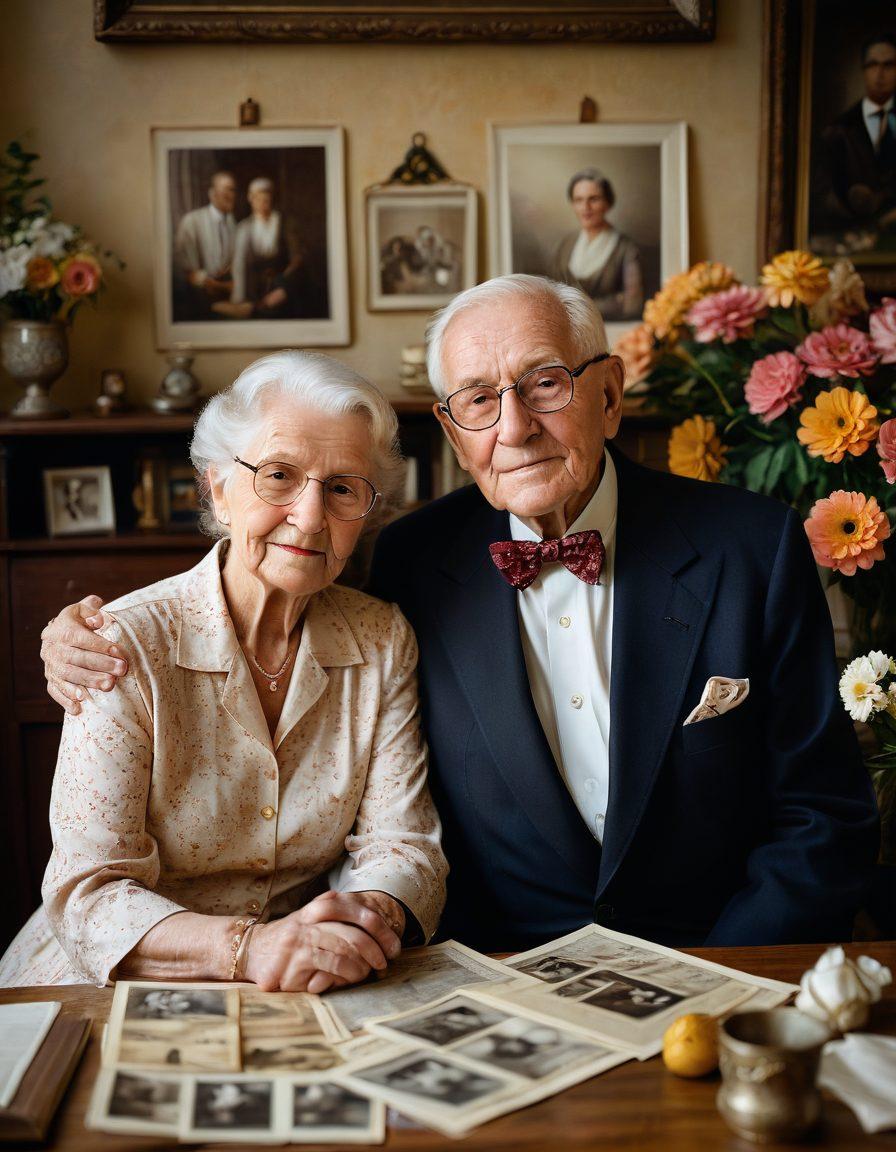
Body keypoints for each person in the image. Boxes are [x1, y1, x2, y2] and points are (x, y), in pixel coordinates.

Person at [39, 276, 878, 954]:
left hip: (717, 959)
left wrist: (734, 978)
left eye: (545, 383)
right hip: (494, 970)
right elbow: (251, 576)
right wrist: (76, 634)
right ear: (450, 427)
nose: (513, 427)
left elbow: (821, 814)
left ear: (611, 395)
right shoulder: (409, 563)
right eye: (476, 398)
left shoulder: (751, 548)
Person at [0, 351, 446, 989]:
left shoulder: (381, 639)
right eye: (279, 475)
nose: (311, 516)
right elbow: (89, 894)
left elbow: (402, 844)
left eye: (343, 487)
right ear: (218, 488)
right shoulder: (124, 645)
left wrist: (367, 913)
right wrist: (250, 950)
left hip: (306, 976)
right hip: (111, 980)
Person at [813, 34, 896, 240]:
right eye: (872, 65)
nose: (880, 74)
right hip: (852, 237)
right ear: (864, 70)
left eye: (888, 65)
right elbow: (824, 194)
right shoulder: (836, 130)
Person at [550, 170, 644, 322]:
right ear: (573, 204)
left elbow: (632, 304)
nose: (585, 207)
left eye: (593, 199)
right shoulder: (565, 245)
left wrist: (575, 306)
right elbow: (552, 295)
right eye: (578, 200)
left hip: (610, 331)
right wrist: (613, 302)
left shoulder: (626, 249)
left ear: (608, 203)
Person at [214, 177, 310, 320]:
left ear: (271, 199)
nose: (263, 203)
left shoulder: (285, 223)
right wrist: (237, 298)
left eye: (267, 199)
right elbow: (237, 265)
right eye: (258, 198)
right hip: (251, 295)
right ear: (251, 199)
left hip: (280, 291)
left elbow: (298, 258)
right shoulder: (243, 228)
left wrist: (284, 288)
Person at [173, 170, 237, 320]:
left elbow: (230, 265)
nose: (232, 195)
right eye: (227, 189)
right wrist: (224, 286)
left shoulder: (233, 224)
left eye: (234, 190)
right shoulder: (191, 221)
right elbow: (186, 273)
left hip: (225, 296)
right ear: (212, 193)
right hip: (198, 299)